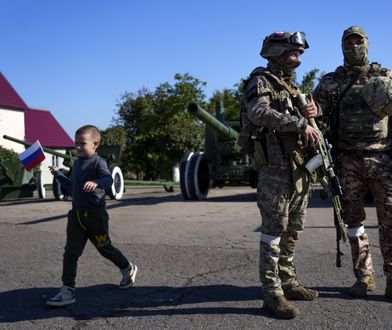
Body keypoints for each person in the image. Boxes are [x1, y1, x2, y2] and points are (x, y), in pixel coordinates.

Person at [239, 31, 320, 319]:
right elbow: (258, 113)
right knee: (274, 232)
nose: (297, 55)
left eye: (299, 52)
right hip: (274, 169)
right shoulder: (260, 81)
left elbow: (308, 121)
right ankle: (272, 294)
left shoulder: (290, 85)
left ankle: (287, 281)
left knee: (293, 230)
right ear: (274, 51)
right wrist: (299, 123)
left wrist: (312, 111)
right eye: (292, 50)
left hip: (298, 168)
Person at [313, 26, 392, 298]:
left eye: (359, 41)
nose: (354, 46)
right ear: (342, 46)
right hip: (347, 161)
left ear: (367, 44)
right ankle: (364, 277)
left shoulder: (385, 78)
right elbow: (317, 122)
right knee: (354, 221)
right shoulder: (330, 83)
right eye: (349, 42)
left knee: (389, 220)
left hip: (382, 159)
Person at [46, 125, 137, 307]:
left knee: (104, 248)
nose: (78, 147)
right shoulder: (77, 163)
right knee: (70, 253)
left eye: (82, 143)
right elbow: (72, 186)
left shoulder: (98, 162)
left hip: (95, 216)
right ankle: (67, 290)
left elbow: (108, 179)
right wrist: (58, 175)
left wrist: (96, 182)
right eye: (76, 143)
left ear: (95, 144)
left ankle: (127, 268)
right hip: (76, 216)